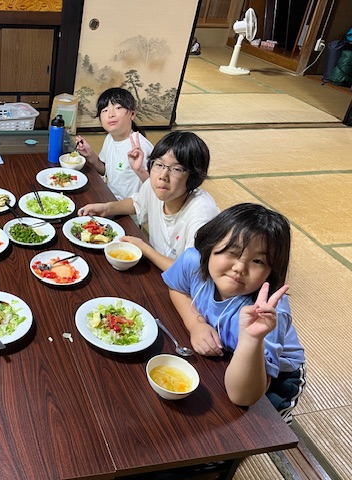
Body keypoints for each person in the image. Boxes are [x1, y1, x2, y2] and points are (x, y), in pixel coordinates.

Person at [162, 203, 306, 422]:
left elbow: (243, 397)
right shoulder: (193, 261)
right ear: (210, 244)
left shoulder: (266, 313)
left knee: (261, 428)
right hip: (227, 352)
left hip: (275, 375)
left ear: (271, 271)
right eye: (232, 252)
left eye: (258, 261)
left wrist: (251, 338)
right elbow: (177, 288)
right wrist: (196, 324)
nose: (240, 267)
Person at [79, 131, 219, 271]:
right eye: (159, 164)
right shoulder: (156, 187)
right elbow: (137, 203)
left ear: (194, 177)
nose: (163, 176)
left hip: (181, 282)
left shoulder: (201, 212)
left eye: (176, 169)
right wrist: (107, 208)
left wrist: (144, 248)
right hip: (158, 270)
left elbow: (189, 272)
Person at [75, 87, 154, 200]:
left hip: (131, 207)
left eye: (118, 108)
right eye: (105, 110)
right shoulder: (110, 138)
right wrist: (90, 154)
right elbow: (106, 171)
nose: (111, 114)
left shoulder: (141, 147)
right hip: (110, 198)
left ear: (132, 114)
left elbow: (155, 190)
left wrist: (140, 171)